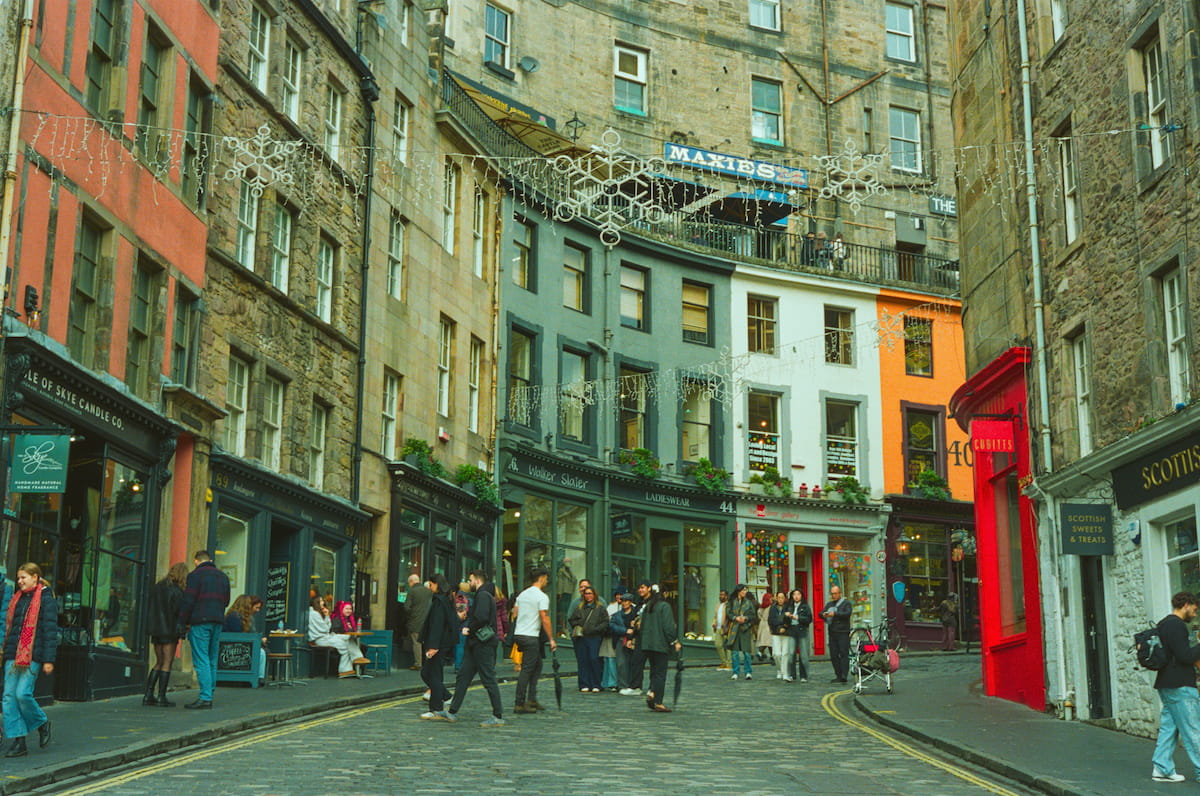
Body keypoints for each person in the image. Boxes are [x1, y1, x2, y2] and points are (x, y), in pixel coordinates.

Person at [2, 563, 58, 758]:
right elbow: (10, 627)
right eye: (18, 578)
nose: (20, 581)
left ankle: (42, 723)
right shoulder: (17, 599)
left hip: (32, 654)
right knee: (9, 698)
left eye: (23, 578)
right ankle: (19, 741)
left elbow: (50, 631)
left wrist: (49, 659)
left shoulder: (46, 599)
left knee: (22, 694)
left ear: (35, 577)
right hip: (12, 654)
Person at [445, 570, 505, 727]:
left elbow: (482, 617)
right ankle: (452, 712)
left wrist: (469, 629)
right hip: (476, 644)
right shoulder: (484, 595)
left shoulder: (483, 595)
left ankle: (497, 715)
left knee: (488, 679)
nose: (468, 583)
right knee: (463, 676)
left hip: (482, 644)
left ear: (477, 581)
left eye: (470, 580)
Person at [1151, 592, 1200, 783]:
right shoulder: (1177, 625)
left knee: (1169, 728)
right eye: (1194, 609)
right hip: (1180, 685)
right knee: (1193, 730)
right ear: (1186, 605)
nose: (1195, 614)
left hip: (1166, 683)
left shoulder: (1163, 624)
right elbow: (1185, 656)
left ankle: (1161, 767)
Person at [178, 550, 231, 709]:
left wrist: (182, 621)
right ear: (211, 560)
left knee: (201, 659)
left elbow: (189, 600)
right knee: (212, 658)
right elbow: (226, 600)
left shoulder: (195, 576)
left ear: (196, 561)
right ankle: (210, 691)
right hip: (218, 620)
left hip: (200, 620)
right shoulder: (223, 576)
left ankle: (205, 697)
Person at [512, 567, 557, 714]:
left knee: (537, 665)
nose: (547, 581)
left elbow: (514, 613)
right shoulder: (542, 597)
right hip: (531, 636)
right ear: (542, 577)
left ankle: (532, 699)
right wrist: (551, 639)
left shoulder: (522, 595)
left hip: (519, 633)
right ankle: (519, 703)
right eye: (546, 578)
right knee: (527, 669)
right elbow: (545, 618)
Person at [144, 562, 187, 707]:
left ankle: (148, 695)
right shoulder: (177, 591)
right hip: (169, 630)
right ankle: (161, 696)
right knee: (167, 663)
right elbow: (179, 612)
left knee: (158, 662)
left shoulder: (157, 587)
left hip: (156, 630)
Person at [419, 574, 459, 720]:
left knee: (433, 675)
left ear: (437, 584)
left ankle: (436, 709)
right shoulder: (446, 600)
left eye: (431, 585)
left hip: (437, 644)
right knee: (427, 673)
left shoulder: (440, 601)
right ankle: (446, 696)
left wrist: (433, 646)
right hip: (441, 644)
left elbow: (437, 624)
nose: (430, 588)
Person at [637, 581, 681, 713]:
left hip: (647, 644)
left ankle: (652, 692)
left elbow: (642, 625)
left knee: (654, 671)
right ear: (665, 594)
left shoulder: (648, 605)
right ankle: (658, 701)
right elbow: (668, 627)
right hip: (660, 644)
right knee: (660, 673)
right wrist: (674, 641)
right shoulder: (664, 606)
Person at [307, 596, 369, 677]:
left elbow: (326, 628)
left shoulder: (318, 613)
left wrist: (326, 616)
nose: (323, 602)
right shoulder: (314, 614)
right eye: (321, 601)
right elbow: (324, 629)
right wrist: (326, 616)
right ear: (316, 602)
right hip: (320, 639)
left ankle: (354, 661)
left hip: (326, 637)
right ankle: (346, 668)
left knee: (347, 638)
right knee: (342, 644)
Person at [568, 585, 608, 693]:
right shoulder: (580, 608)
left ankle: (596, 684)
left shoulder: (600, 608)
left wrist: (595, 629)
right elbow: (571, 619)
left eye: (590, 593)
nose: (588, 596)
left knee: (594, 660)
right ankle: (584, 684)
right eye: (586, 594)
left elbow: (605, 623)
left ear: (594, 595)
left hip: (595, 638)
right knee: (583, 661)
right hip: (582, 638)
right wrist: (579, 625)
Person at [223, 594, 267, 683]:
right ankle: (259, 677)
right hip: (232, 646)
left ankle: (259, 676)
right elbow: (238, 635)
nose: (257, 610)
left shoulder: (242, 617)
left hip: (237, 644)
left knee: (261, 651)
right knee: (261, 653)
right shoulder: (234, 617)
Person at [820, 585, 853, 683]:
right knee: (834, 655)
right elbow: (821, 613)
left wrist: (835, 614)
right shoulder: (829, 604)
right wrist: (824, 614)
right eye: (832, 594)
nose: (833, 595)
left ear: (840, 593)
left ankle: (844, 675)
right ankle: (838, 675)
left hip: (843, 632)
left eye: (835, 593)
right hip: (832, 632)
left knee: (843, 653)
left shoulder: (846, 603)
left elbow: (847, 614)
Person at [726, 584, 757, 680]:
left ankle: (748, 671)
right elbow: (728, 613)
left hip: (745, 629)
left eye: (745, 590)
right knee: (734, 652)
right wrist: (735, 617)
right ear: (738, 591)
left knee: (747, 652)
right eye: (743, 590)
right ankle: (736, 672)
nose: (745, 592)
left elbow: (753, 615)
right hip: (734, 629)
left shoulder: (748, 602)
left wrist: (745, 618)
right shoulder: (732, 602)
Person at [405, 574, 432, 671]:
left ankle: (418, 663)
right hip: (428, 621)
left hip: (415, 621)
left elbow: (407, 607)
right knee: (427, 642)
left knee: (417, 643)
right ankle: (428, 662)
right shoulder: (428, 591)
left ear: (411, 582)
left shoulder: (412, 591)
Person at [615, 593, 640, 695]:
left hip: (633, 640)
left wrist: (632, 632)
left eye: (626, 601)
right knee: (621, 663)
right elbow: (612, 626)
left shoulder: (635, 614)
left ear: (630, 602)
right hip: (621, 640)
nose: (624, 603)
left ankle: (632, 684)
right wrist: (625, 630)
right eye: (622, 601)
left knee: (633, 663)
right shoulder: (618, 615)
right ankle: (622, 685)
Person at [786, 589, 813, 683]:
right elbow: (784, 620)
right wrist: (787, 616)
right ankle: (792, 675)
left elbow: (809, 619)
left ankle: (804, 675)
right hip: (792, 630)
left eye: (798, 594)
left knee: (804, 655)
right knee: (790, 653)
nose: (796, 596)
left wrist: (798, 618)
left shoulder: (805, 606)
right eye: (794, 594)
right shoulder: (789, 606)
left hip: (802, 630)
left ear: (801, 596)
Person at [767, 591, 795, 682]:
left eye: (782, 597)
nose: (780, 599)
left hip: (786, 633)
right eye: (779, 597)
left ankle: (785, 673)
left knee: (785, 654)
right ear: (776, 598)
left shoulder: (788, 607)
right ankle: (779, 669)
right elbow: (771, 620)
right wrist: (781, 623)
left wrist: (784, 626)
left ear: (785, 598)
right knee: (776, 654)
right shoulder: (773, 608)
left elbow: (789, 620)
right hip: (776, 633)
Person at [600, 590, 621, 691]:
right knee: (609, 660)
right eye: (617, 595)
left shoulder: (632, 606)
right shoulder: (611, 606)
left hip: (621, 637)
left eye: (621, 595)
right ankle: (609, 682)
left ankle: (615, 682)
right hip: (610, 636)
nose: (619, 597)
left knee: (617, 660)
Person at [712, 589, 731, 670]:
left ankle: (729, 663)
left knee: (728, 646)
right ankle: (723, 661)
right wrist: (714, 623)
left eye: (722, 595)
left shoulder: (729, 605)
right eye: (720, 595)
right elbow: (715, 616)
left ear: (726, 596)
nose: (721, 596)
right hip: (718, 628)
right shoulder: (718, 605)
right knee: (718, 645)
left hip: (726, 628)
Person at [755, 591, 774, 663]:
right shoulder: (771, 607)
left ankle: (768, 655)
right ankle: (762, 653)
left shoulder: (761, 607)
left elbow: (759, 615)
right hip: (768, 625)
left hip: (762, 624)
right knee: (768, 641)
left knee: (765, 641)